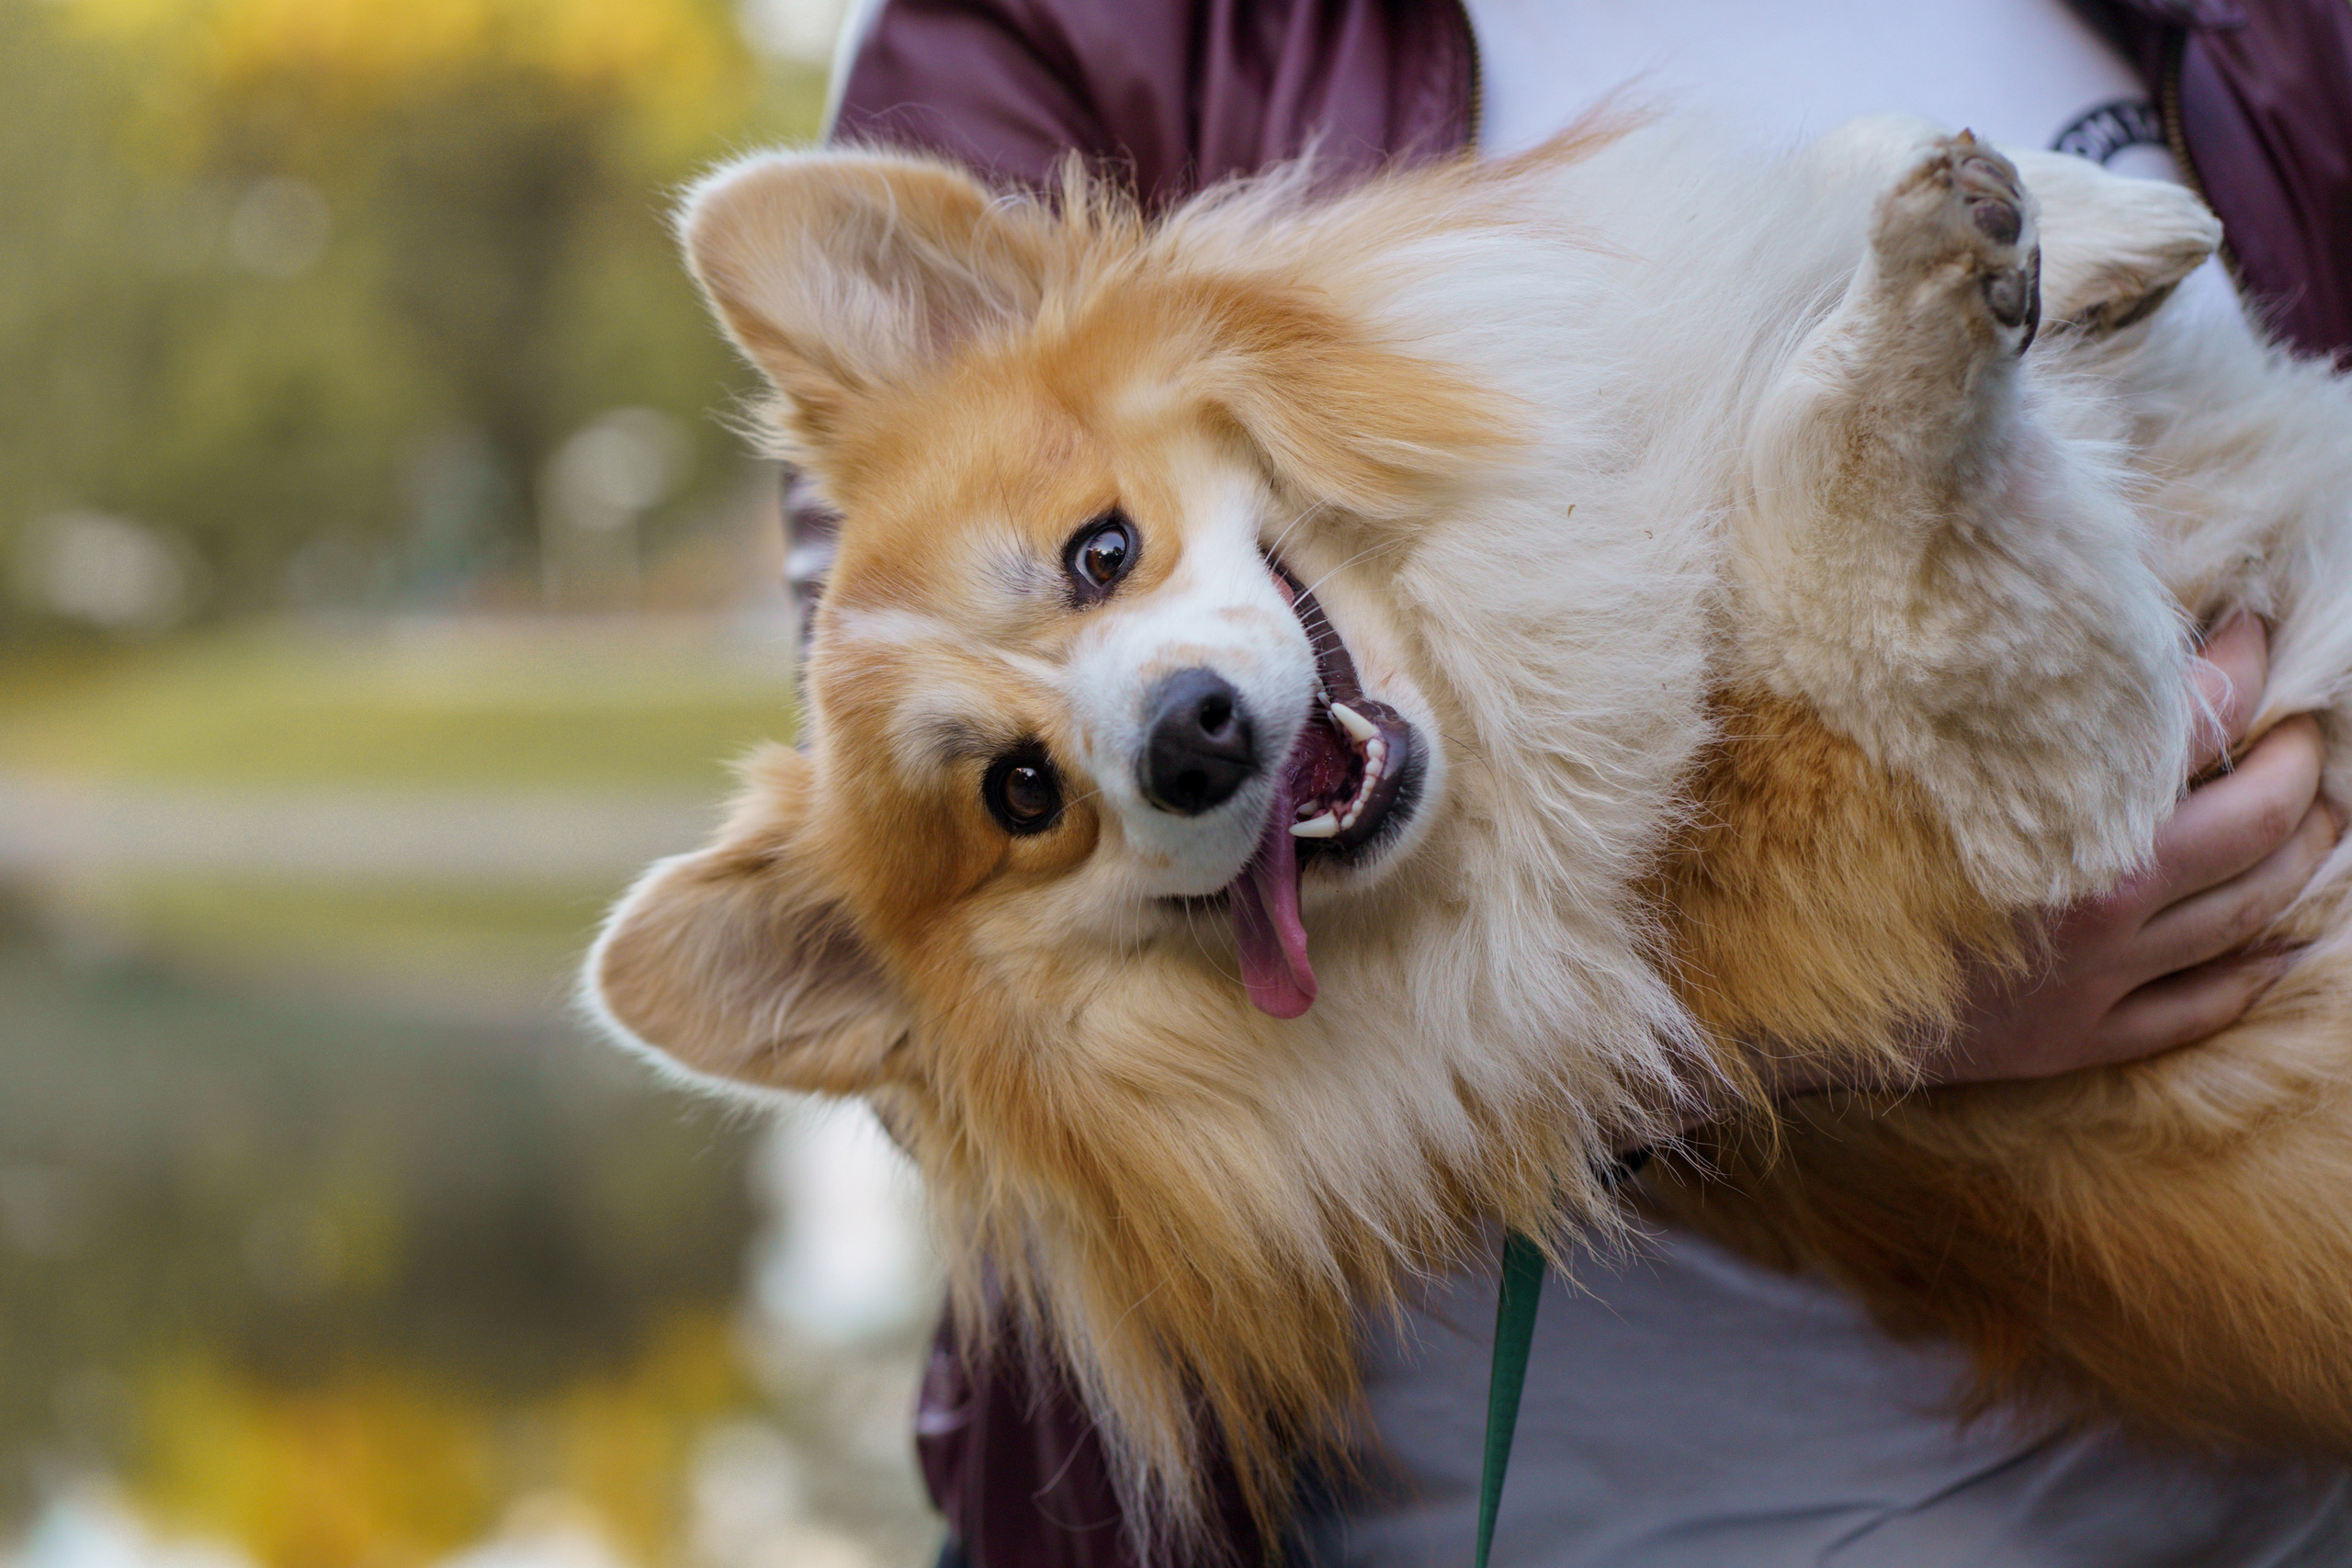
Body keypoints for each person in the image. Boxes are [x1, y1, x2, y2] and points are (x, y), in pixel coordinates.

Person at [790, 1, 2352, 1561]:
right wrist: (1754, 1028)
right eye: (1023, 788)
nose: (1159, 719)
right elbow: (975, 1043)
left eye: (1104, 558)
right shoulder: (1058, 32)